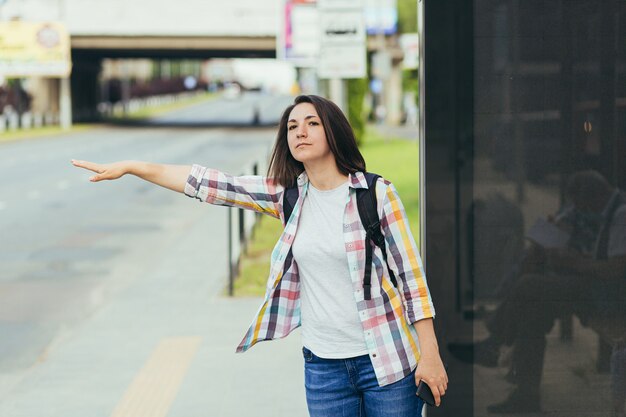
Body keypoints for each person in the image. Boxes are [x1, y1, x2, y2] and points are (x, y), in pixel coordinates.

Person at [71, 94, 448, 417]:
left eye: (312, 123)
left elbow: (412, 280)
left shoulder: (376, 194)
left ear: (333, 131)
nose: (300, 131)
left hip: (387, 362)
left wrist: (429, 354)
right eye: (292, 126)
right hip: (324, 368)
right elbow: (212, 184)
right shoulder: (289, 196)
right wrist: (135, 167)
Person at [449, 170, 626, 414]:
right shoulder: (590, 208)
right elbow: (561, 227)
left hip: (609, 296)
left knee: (530, 286)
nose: (580, 210)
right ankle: (525, 395)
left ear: (594, 198)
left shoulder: (621, 214)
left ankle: (494, 344)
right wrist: (554, 240)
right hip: (587, 286)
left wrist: (576, 262)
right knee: (533, 311)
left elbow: (617, 268)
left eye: (582, 205)